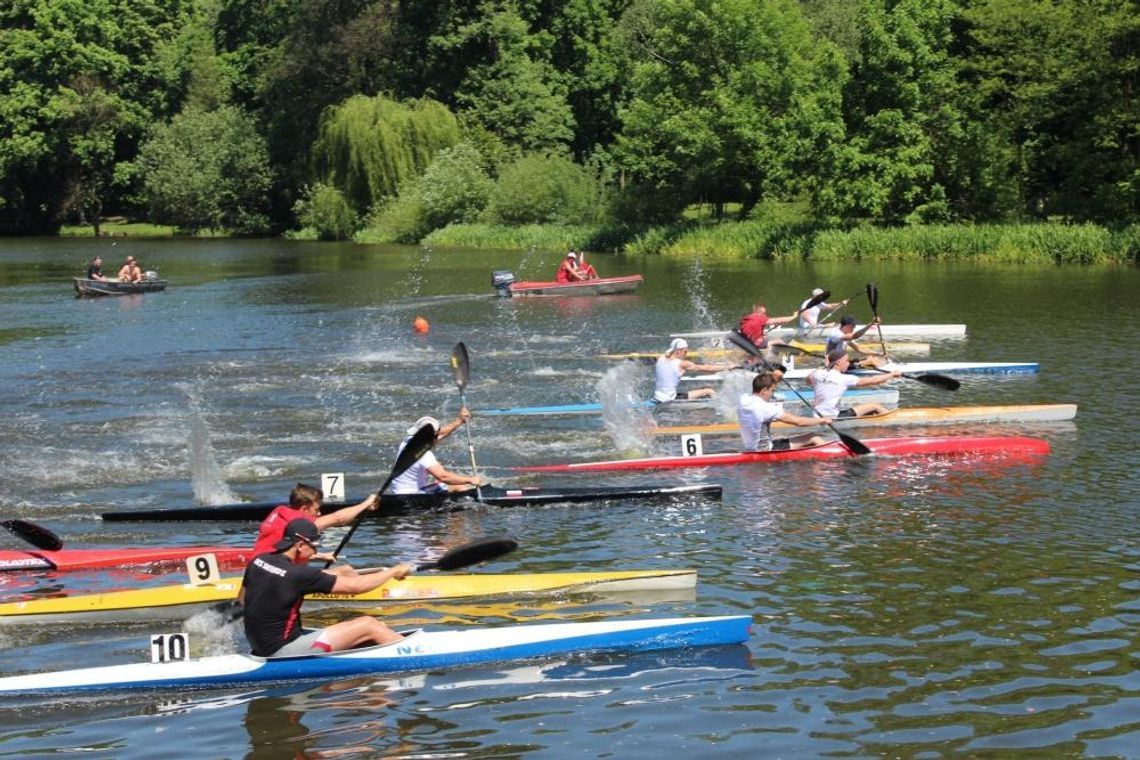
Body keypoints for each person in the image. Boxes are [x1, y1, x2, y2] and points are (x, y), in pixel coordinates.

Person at [240, 518, 413, 657]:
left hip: (259, 645)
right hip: (282, 651)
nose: (316, 553)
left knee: (368, 630)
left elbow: (242, 600)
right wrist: (394, 570)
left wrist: (338, 572)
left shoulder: (259, 561)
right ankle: (414, 656)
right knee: (368, 625)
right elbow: (358, 587)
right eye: (315, 546)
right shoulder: (299, 574)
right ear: (300, 545)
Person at [252, 483, 381, 557]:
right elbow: (338, 519)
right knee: (344, 572)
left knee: (345, 571)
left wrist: (320, 556)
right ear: (304, 509)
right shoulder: (297, 521)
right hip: (272, 574)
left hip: (263, 564)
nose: (319, 513)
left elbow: (285, 551)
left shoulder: (280, 512)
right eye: (316, 509)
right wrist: (367, 502)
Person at [387, 412, 482, 495]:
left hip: (399, 492)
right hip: (412, 495)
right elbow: (443, 476)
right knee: (460, 487)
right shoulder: (424, 455)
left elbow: (441, 433)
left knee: (441, 480)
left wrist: (459, 421)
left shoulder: (407, 442)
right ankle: (456, 515)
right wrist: (470, 480)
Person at [738, 372, 832, 451]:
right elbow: (799, 422)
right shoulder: (766, 408)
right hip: (765, 450)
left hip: (749, 449)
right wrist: (821, 420)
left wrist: (773, 378)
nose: (772, 395)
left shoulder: (743, 400)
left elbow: (761, 381)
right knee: (813, 437)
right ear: (764, 390)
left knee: (792, 441)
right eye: (772, 391)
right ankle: (831, 456)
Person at [807, 349, 901, 419]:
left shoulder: (817, 374)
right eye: (846, 361)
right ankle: (895, 420)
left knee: (867, 411)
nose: (848, 364)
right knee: (874, 406)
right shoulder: (844, 378)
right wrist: (892, 374)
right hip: (834, 418)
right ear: (838, 362)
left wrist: (825, 366)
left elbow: (808, 380)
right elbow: (874, 380)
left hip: (816, 417)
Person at [654, 338, 733, 402]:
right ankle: (723, 411)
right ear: (678, 351)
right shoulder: (682, 364)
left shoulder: (660, 358)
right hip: (670, 400)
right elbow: (708, 369)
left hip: (657, 397)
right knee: (709, 391)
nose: (686, 354)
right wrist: (728, 367)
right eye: (685, 351)